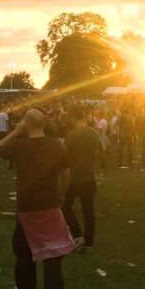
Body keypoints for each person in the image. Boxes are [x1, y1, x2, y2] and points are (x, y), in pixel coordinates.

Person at [0, 109, 73, 289]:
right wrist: (61, 194)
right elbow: (66, 174)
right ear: (43, 123)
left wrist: (16, 131)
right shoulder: (56, 145)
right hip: (50, 205)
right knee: (53, 257)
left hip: (27, 207)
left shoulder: (20, 145)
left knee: (24, 254)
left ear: (26, 124)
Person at [61, 105, 100, 252]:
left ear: (72, 118)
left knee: (65, 206)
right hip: (90, 176)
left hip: (76, 177)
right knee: (88, 210)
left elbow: (64, 155)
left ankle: (77, 235)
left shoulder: (71, 135)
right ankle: (88, 243)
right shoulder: (94, 133)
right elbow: (97, 152)